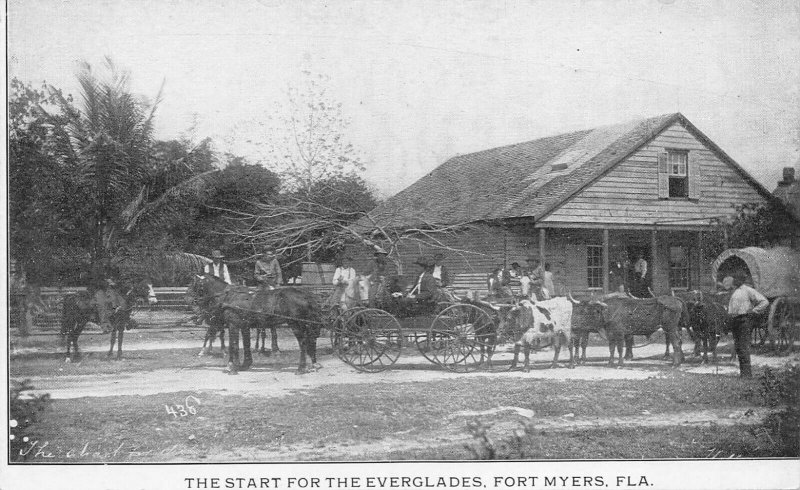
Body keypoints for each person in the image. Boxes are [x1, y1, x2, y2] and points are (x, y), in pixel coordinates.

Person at [726, 271, 769, 378]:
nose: (735, 281)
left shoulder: (748, 290)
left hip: (744, 320)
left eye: (737, 279)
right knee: (738, 347)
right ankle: (743, 373)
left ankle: (747, 374)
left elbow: (764, 301)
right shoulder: (734, 291)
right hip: (735, 321)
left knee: (744, 346)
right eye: (735, 279)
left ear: (741, 280)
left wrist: (754, 311)